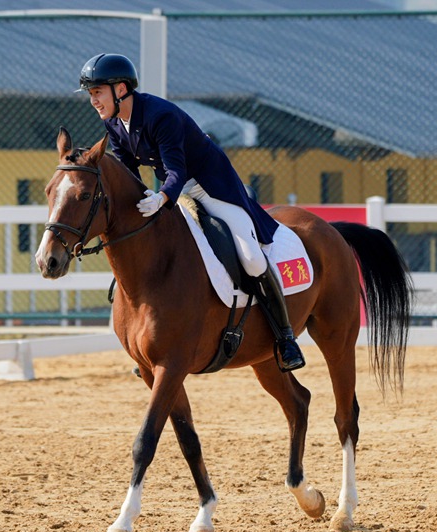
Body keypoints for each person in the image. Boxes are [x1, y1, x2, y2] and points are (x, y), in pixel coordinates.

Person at [78, 53, 305, 370]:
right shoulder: (113, 123)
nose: (93, 101)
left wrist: (161, 198)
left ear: (121, 89)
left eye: (97, 92)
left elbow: (177, 170)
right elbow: (129, 171)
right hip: (175, 191)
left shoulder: (161, 116)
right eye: (90, 94)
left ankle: (285, 337)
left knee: (251, 257)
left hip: (211, 187)